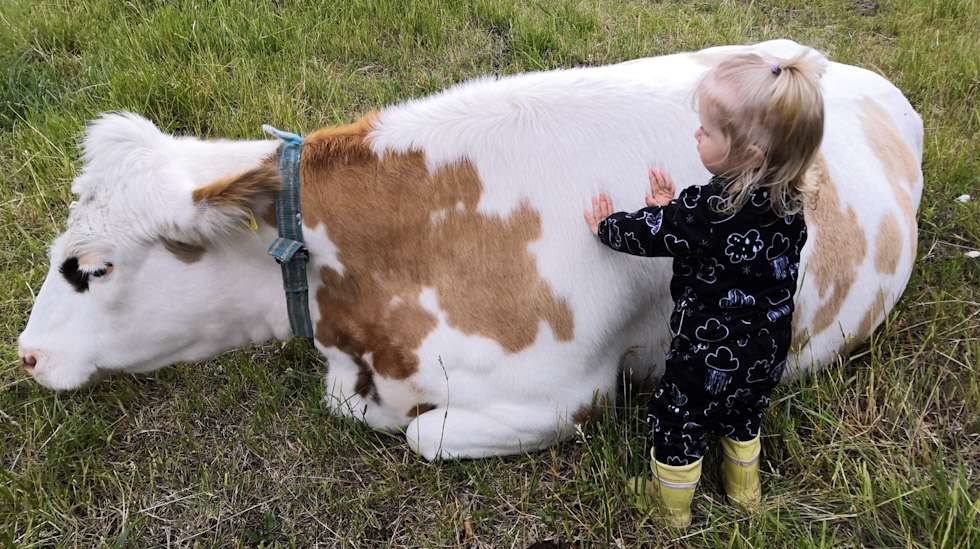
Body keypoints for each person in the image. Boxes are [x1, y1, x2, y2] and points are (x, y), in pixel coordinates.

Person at [583, 49, 827, 528]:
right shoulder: (791, 200)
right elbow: (712, 244)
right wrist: (672, 208)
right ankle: (745, 492)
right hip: (766, 350)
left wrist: (607, 226)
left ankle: (670, 508)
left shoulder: (710, 209)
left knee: (679, 423)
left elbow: (654, 234)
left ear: (750, 155)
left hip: (704, 354)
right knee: (743, 416)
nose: (697, 134)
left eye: (708, 131)